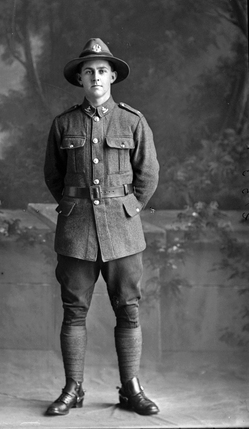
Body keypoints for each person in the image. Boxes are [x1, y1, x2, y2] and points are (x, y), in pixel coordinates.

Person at [44, 38, 160, 416]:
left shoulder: (132, 121)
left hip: (123, 232)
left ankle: (131, 389)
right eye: (88, 71)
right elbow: (53, 175)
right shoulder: (64, 124)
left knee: (128, 309)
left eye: (102, 70)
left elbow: (149, 174)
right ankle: (73, 389)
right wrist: (74, 205)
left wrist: (129, 207)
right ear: (80, 78)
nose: (96, 76)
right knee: (74, 310)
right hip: (76, 231)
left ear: (112, 77)